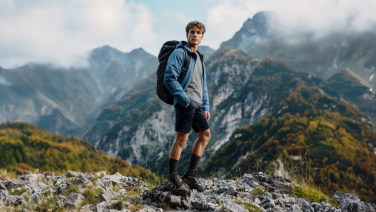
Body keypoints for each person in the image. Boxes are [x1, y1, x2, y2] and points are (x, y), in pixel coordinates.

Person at [163, 21, 211, 195]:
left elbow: (203, 85)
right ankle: (172, 176)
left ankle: (191, 174)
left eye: (198, 32)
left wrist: (206, 105)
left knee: (204, 136)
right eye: (192, 32)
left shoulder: (199, 57)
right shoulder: (179, 53)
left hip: (198, 104)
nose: (195, 35)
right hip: (186, 103)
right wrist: (184, 100)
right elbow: (169, 78)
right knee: (181, 140)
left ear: (202, 36)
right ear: (187, 34)